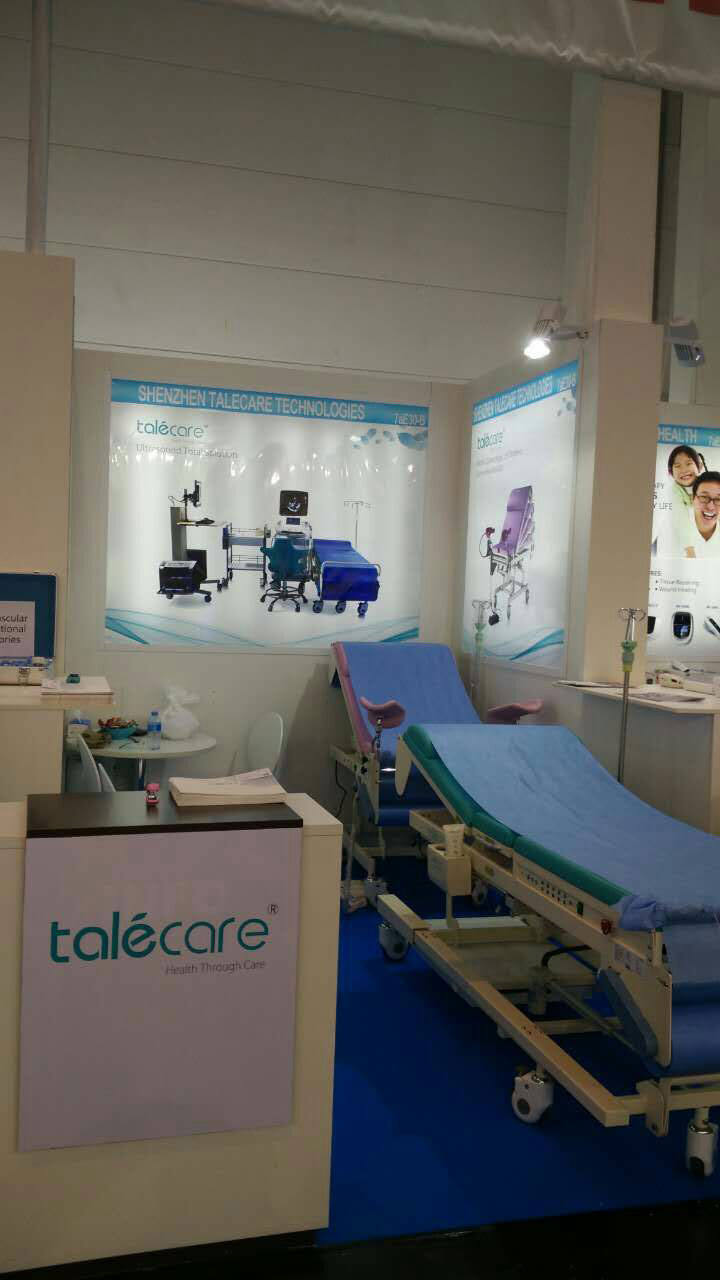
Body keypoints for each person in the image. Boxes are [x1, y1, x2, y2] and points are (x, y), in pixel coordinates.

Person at [662, 471, 720, 558]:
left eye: (718, 499)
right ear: (693, 498)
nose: (710, 507)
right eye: (704, 497)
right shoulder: (670, 528)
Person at [665, 445, 706, 549]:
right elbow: (681, 519)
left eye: (688, 463)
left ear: (699, 466)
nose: (684, 470)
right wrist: (689, 549)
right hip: (682, 541)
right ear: (670, 472)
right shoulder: (674, 491)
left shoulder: (707, 484)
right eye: (678, 466)